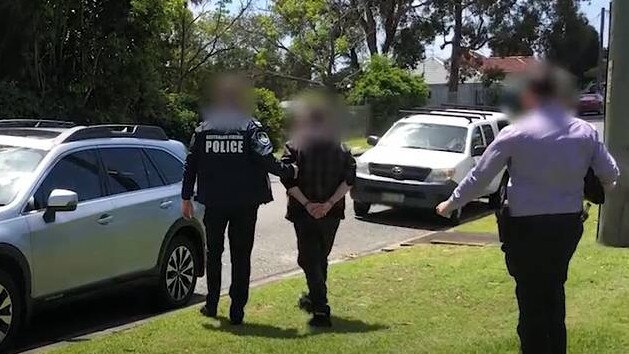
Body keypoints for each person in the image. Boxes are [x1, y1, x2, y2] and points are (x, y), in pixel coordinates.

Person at [436, 65, 619, 354]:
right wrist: (587, 187)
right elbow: (610, 174)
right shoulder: (585, 131)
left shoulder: (515, 132)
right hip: (566, 225)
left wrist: (451, 203)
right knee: (554, 290)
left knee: (530, 296)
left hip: (525, 227)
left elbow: (480, 176)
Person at [181, 74, 297, 325]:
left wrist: (185, 197)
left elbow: (191, 163)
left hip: (214, 202)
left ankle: (211, 305)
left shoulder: (205, 129)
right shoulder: (250, 127)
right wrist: (291, 172)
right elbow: (267, 160)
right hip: (245, 204)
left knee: (214, 254)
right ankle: (237, 310)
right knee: (240, 256)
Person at [280, 99, 356, 327]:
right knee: (318, 257)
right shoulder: (341, 148)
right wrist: (329, 204)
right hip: (330, 214)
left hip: (304, 213)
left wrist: (308, 205)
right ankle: (314, 299)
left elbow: (287, 178)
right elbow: (349, 180)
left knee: (309, 258)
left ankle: (321, 310)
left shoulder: (294, 146)